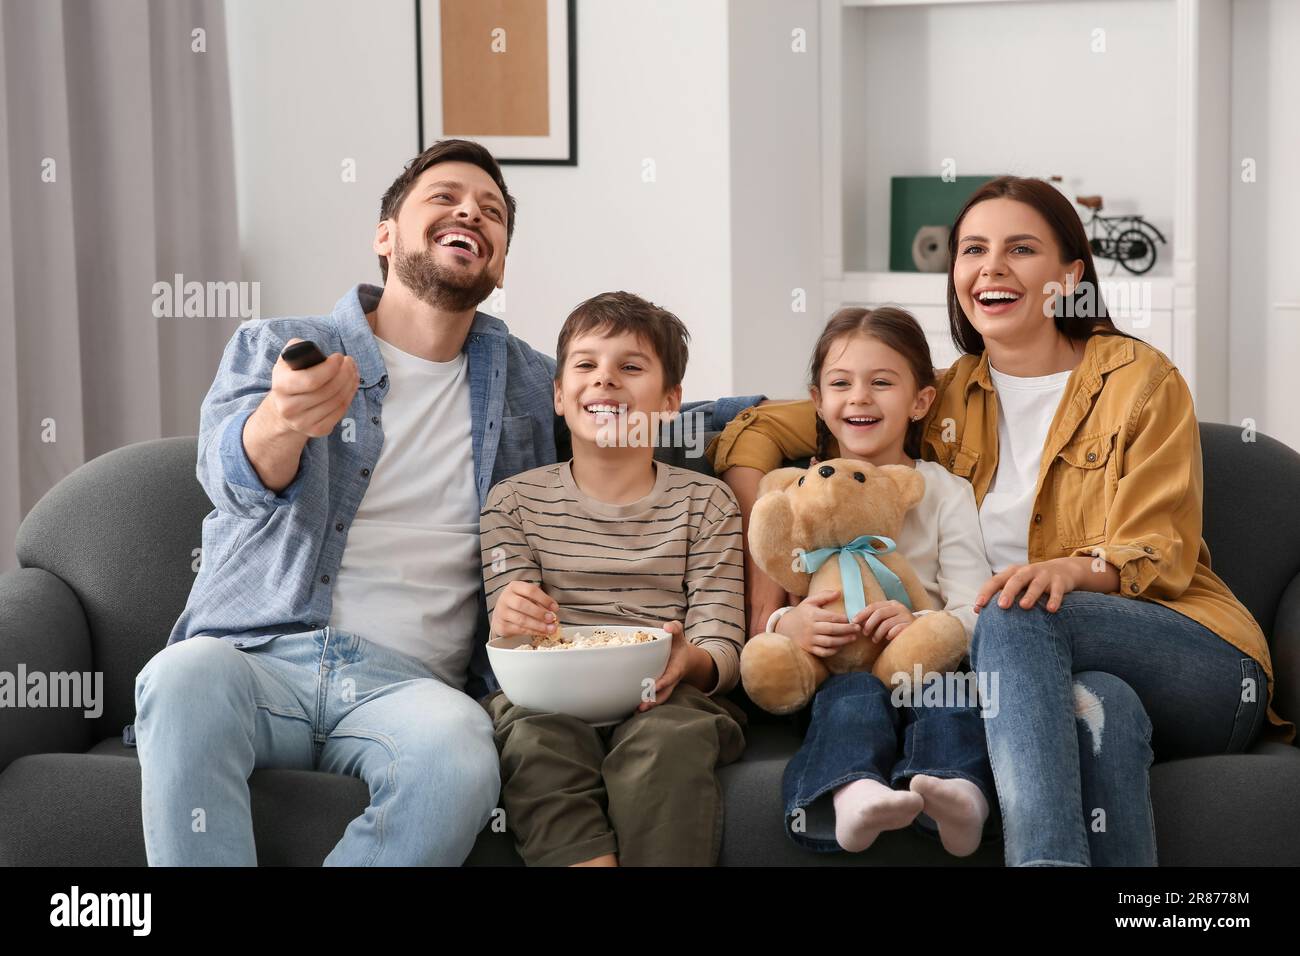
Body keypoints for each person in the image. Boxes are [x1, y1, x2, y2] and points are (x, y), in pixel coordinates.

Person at [131, 139, 763, 866]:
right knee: (179, 679)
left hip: (409, 688)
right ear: (385, 234)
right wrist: (281, 420)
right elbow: (228, 477)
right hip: (257, 657)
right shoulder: (282, 346)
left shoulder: (530, 382)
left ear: (496, 262)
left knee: (464, 762)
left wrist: (805, 421)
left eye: (491, 212)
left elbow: (639, 405)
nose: (471, 211)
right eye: (445, 197)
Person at [707, 175, 1293, 866]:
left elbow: (1159, 553)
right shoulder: (944, 392)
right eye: (973, 249)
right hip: (1058, 668)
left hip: (1198, 661)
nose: (991, 267)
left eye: (1020, 249)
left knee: (1012, 607)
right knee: (1100, 708)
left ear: (1069, 273)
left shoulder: (1140, 379)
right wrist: (770, 600)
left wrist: (1069, 570)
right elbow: (759, 425)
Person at [480, 292, 747, 866]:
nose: (605, 381)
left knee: (668, 744)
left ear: (671, 401)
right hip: (546, 699)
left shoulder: (708, 503)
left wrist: (688, 659)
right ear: (558, 394)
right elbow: (510, 634)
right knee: (532, 743)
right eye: (585, 365)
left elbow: (722, 644)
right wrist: (510, 620)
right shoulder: (513, 503)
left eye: (630, 367)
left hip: (669, 696)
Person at [772, 307, 995, 856]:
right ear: (819, 402)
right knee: (852, 698)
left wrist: (918, 621)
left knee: (950, 697)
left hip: (925, 664)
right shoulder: (801, 493)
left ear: (920, 401)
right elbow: (780, 596)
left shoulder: (946, 493)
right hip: (844, 670)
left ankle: (958, 793)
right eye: (841, 384)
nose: (859, 398)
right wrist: (791, 623)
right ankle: (854, 795)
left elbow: (974, 608)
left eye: (882, 383)